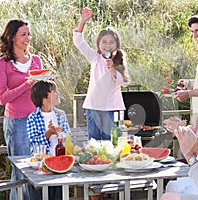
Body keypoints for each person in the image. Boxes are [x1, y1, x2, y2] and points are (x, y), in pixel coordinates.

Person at [0, 19, 42, 200]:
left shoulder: (36, 60)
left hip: (37, 121)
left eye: (29, 34)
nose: (28, 38)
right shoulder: (2, 64)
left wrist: (47, 83)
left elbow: (40, 90)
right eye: (23, 34)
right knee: (21, 172)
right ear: (12, 37)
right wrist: (26, 84)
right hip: (17, 123)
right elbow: (2, 98)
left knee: (38, 169)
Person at [73, 7, 130, 140]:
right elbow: (79, 42)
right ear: (98, 45)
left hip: (111, 109)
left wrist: (113, 69)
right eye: (104, 42)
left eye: (111, 42)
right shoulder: (94, 58)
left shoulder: (119, 62)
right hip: (93, 107)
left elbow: (125, 83)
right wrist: (83, 21)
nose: (108, 45)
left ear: (117, 46)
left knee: (110, 142)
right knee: (94, 142)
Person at [27, 80, 70, 200]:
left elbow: (68, 138)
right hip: (41, 167)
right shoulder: (33, 118)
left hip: (59, 163)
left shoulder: (61, 114)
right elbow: (34, 144)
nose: (58, 94)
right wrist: (48, 133)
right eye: (54, 91)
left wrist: (60, 135)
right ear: (45, 96)